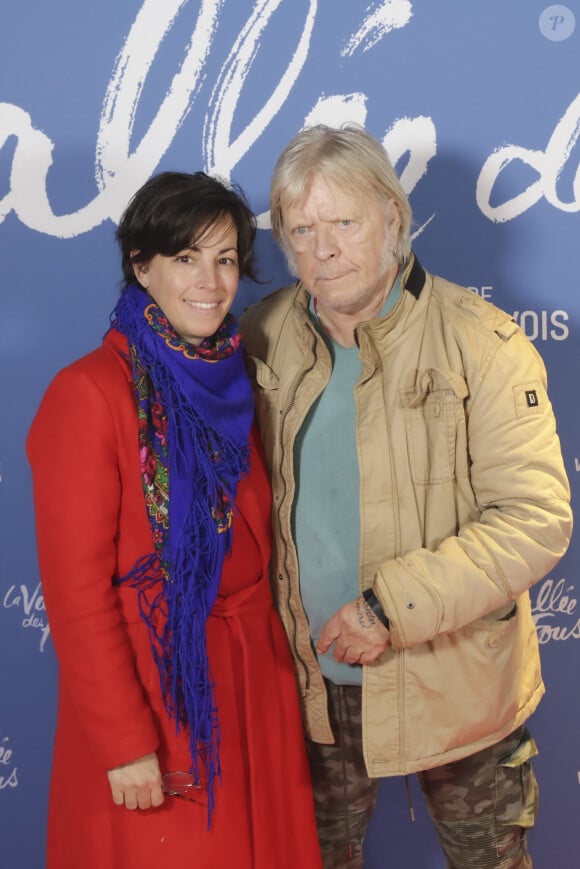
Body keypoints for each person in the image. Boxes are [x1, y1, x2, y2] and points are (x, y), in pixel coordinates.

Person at [240, 125, 573, 868]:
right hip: (313, 692)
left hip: (458, 688)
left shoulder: (481, 341)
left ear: (393, 216)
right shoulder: (262, 336)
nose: (322, 249)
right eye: (302, 229)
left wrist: (389, 607)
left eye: (344, 223)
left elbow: (535, 518)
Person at [27, 171, 322, 869]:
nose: (210, 282)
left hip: (256, 685)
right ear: (142, 266)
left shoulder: (235, 378)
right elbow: (76, 595)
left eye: (225, 260)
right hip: (162, 698)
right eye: (186, 257)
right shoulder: (88, 392)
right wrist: (124, 740)